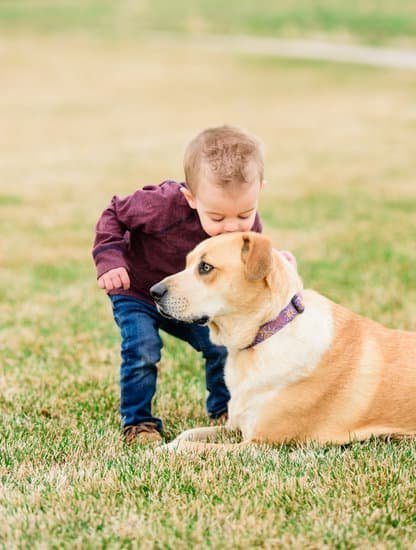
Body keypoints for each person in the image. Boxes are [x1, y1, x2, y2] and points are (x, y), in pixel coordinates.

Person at [92, 125, 264, 445]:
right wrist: (110, 261)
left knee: (219, 344)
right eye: (216, 217)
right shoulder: (159, 204)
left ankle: (224, 409)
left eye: (244, 214)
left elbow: (253, 260)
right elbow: (114, 213)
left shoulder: (245, 228)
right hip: (139, 291)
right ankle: (139, 422)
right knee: (143, 348)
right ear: (190, 197)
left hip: (189, 299)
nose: (231, 227)